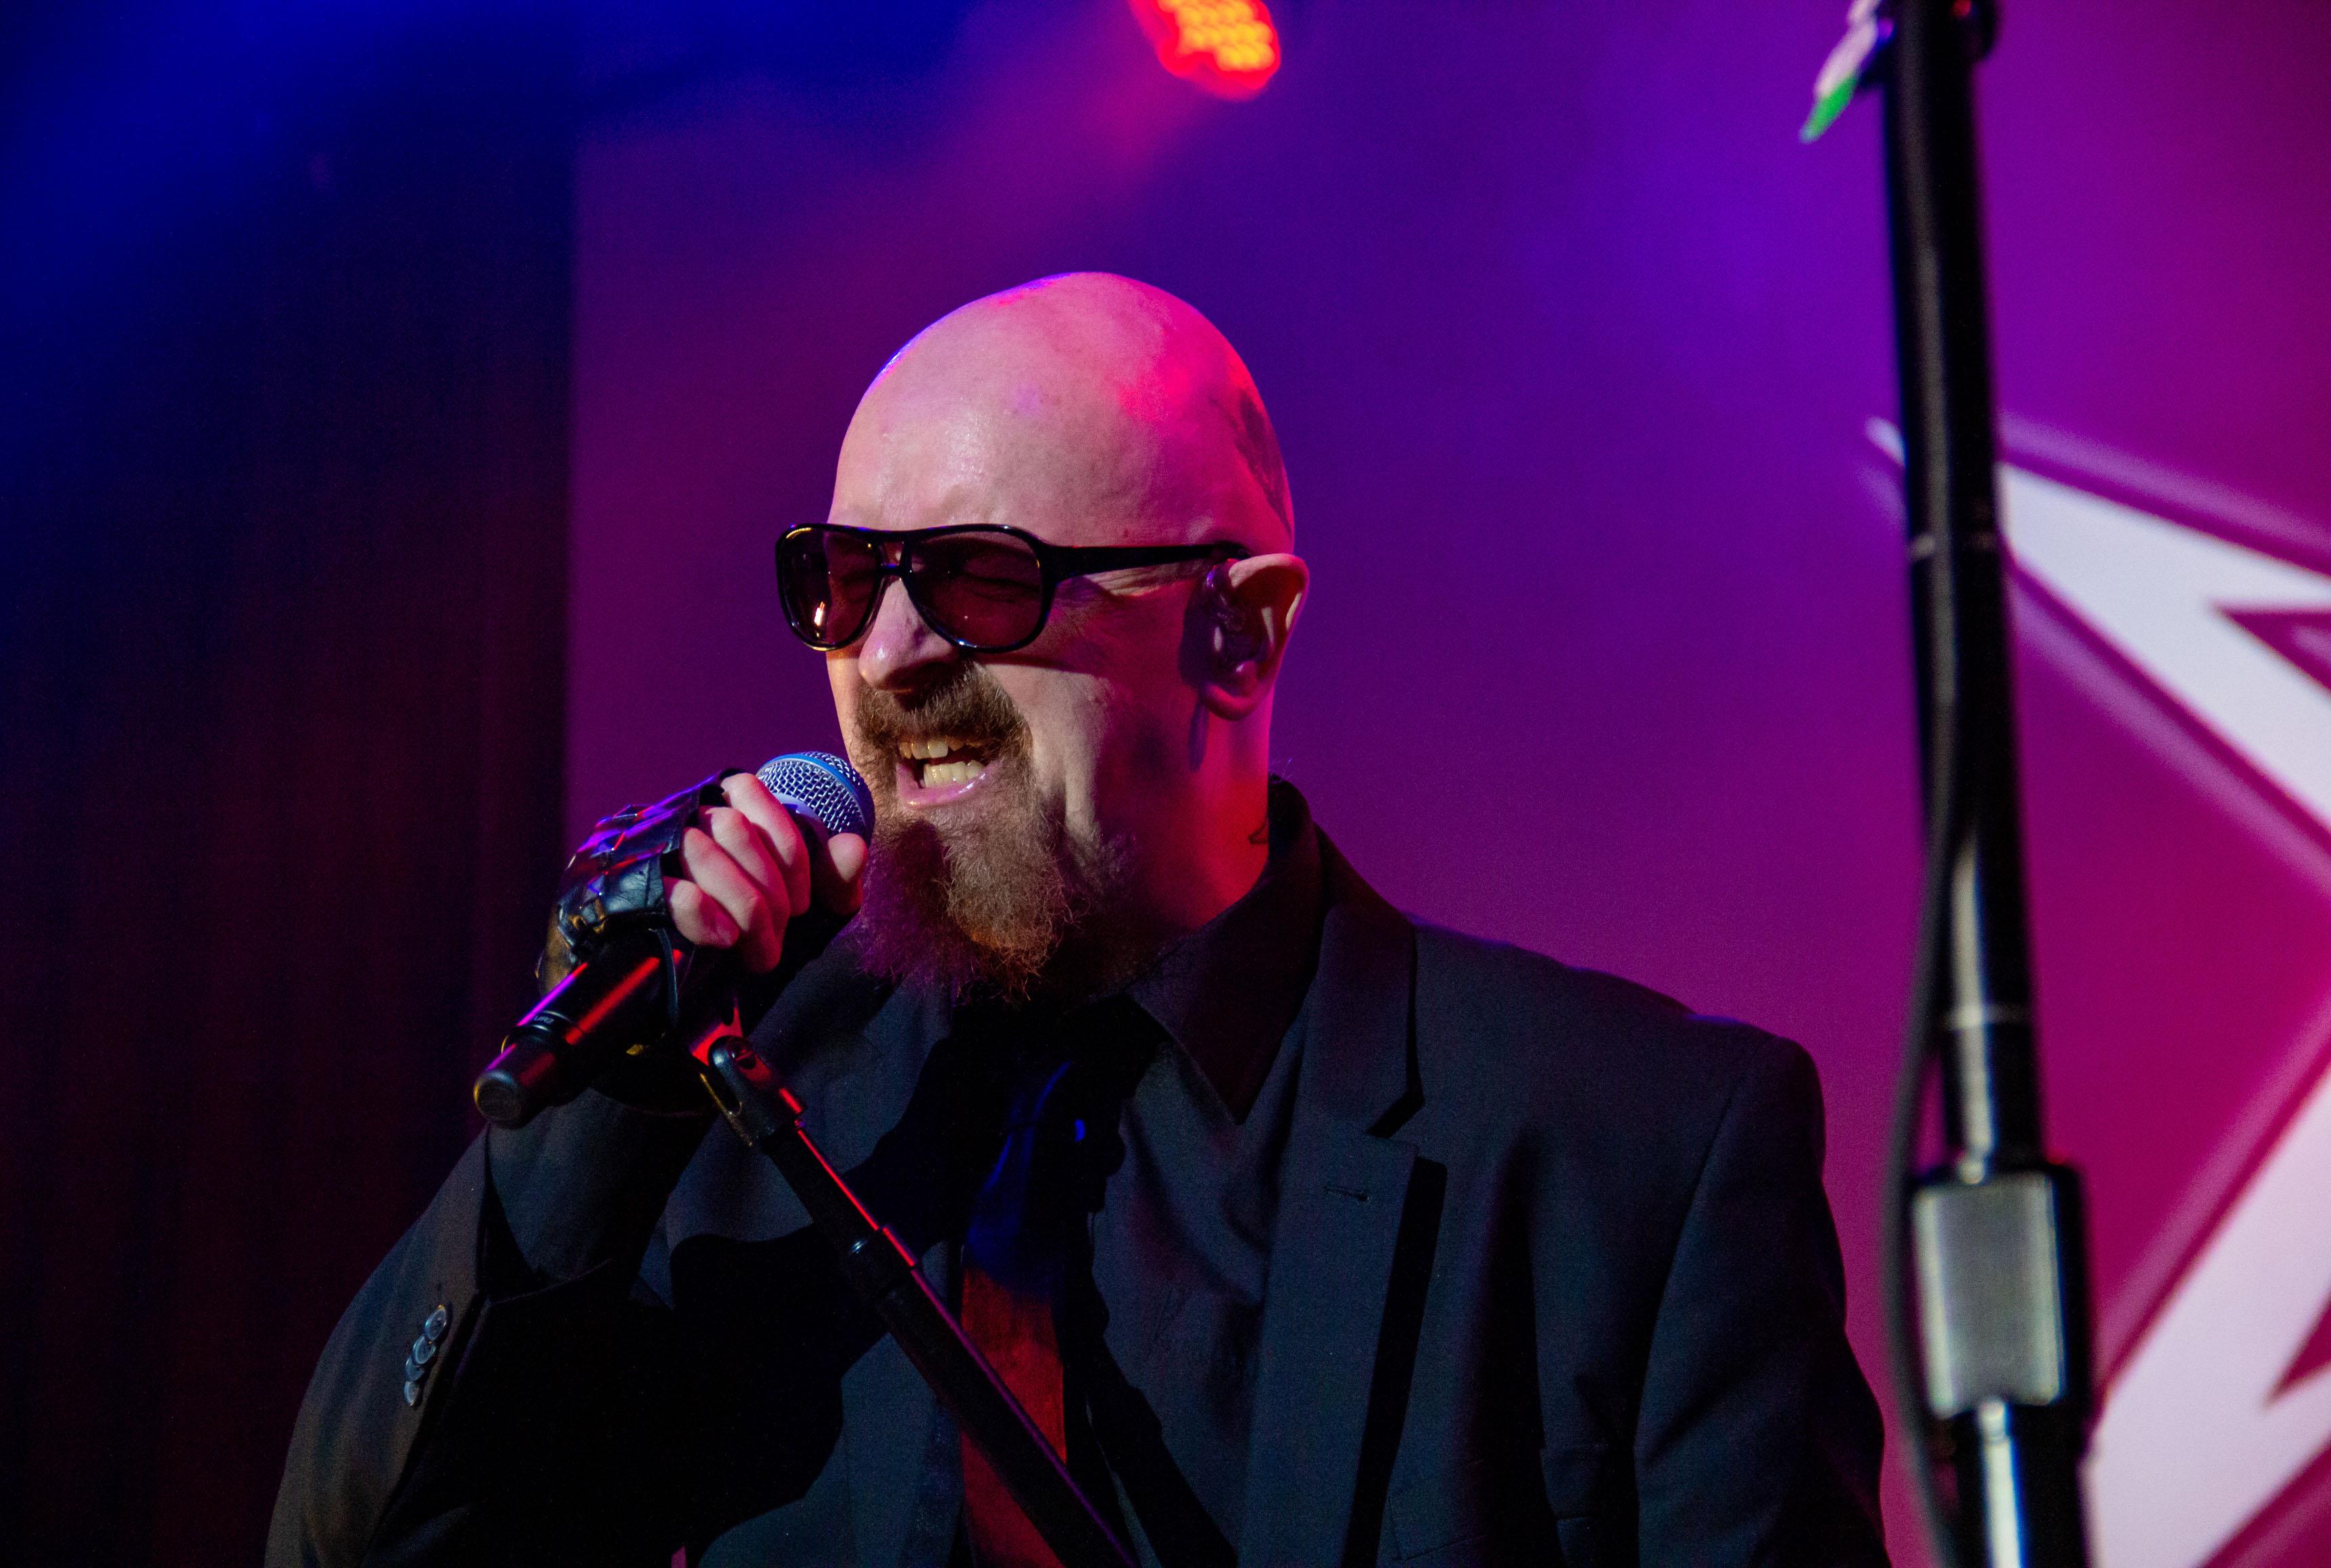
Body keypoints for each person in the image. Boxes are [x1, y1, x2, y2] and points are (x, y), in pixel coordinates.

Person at [269, 273, 1886, 1567]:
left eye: (984, 578)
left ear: (1239, 635)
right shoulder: (733, 1105)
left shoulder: (1627, 1149)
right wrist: (586, 1134)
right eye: (847, 579)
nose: (888, 656)